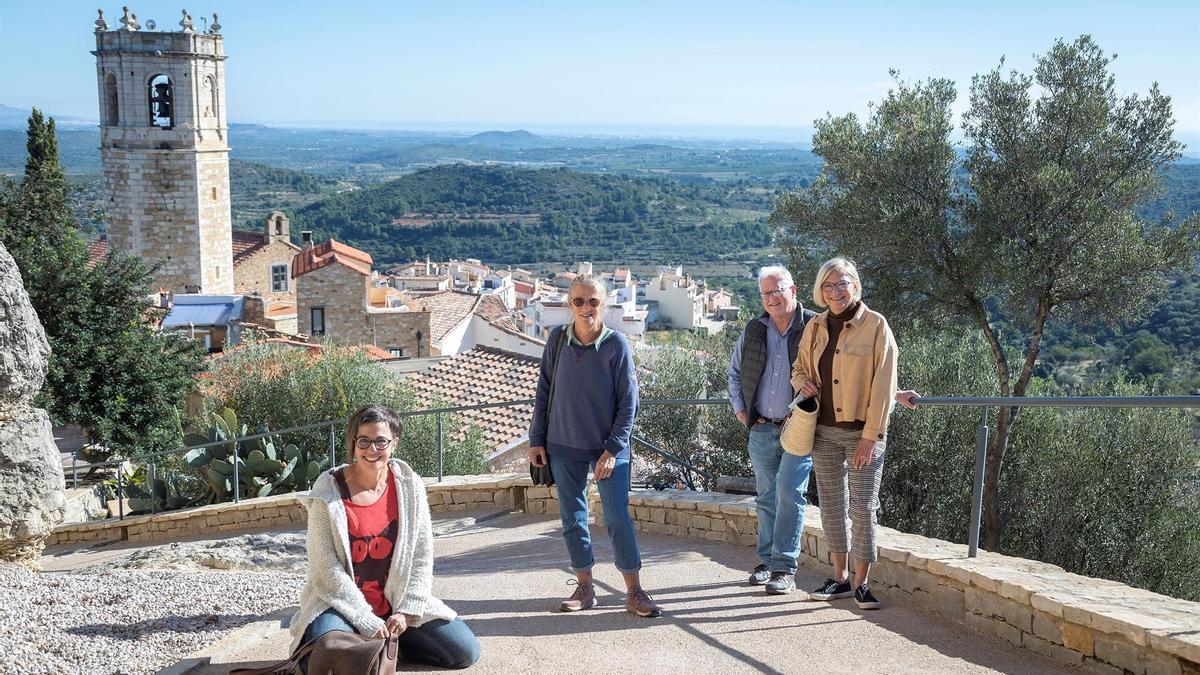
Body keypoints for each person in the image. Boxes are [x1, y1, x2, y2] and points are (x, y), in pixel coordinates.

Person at [290, 404, 480, 670]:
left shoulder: (409, 486)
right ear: (353, 444)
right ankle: (358, 648)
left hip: (394, 603)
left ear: (394, 443)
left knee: (464, 651)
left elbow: (421, 555)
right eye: (364, 441)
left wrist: (406, 612)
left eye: (381, 441)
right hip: (340, 605)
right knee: (324, 656)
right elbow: (326, 570)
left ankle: (382, 650)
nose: (372, 450)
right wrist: (365, 619)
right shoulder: (328, 490)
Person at [528, 274, 661, 618]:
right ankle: (585, 587)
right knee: (573, 518)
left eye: (593, 301)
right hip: (563, 444)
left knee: (618, 518)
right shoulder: (557, 340)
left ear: (604, 304)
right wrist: (536, 439)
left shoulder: (617, 345)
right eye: (579, 301)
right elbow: (544, 391)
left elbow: (629, 404)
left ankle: (634, 590)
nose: (586, 308)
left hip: (609, 450)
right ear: (569, 304)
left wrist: (613, 449)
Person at [792, 257, 898, 610]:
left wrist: (871, 436)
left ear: (855, 285)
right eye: (828, 285)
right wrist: (801, 382)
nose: (835, 291)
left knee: (864, 508)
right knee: (832, 508)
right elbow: (799, 367)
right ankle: (838, 578)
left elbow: (884, 385)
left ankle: (862, 583)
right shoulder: (815, 326)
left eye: (842, 284)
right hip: (822, 431)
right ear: (820, 291)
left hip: (862, 434)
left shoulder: (877, 326)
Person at [727, 265, 817, 595]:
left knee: (790, 495)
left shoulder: (813, 327)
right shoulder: (754, 329)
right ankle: (765, 562)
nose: (772, 298)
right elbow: (734, 373)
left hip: (799, 427)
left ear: (793, 290)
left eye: (778, 290)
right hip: (762, 429)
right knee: (766, 498)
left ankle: (784, 568)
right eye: (766, 293)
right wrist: (740, 409)